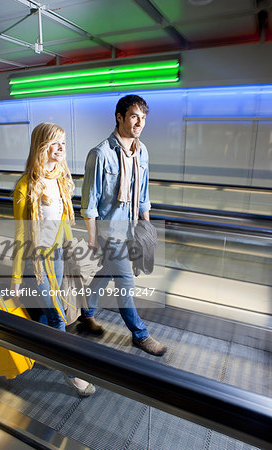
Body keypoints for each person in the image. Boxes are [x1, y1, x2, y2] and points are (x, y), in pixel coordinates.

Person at [11, 122, 95, 396]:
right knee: (58, 317)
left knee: (44, 313)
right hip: (35, 263)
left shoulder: (59, 178)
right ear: (41, 146)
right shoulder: (26, 186)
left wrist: (73, 248)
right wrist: (14, 279)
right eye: (55, 143)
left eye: (63, 143)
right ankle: (73, 375)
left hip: (57, 257)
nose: (61, 148)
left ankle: (36, 351)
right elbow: (21, 235)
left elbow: (62, 223)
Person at [80, 95, 167, 356]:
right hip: (109, 232)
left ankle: (86, 314)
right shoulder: (100, 154)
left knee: (105, 273)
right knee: (125, 284)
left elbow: (143, 194)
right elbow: (89, 201)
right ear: (119, 117)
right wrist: (93, 239)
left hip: (130, 230)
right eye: (134, 116)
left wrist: (147, 230)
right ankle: (140, 335)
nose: (140, 123)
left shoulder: (143, 151)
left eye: (143, 118)